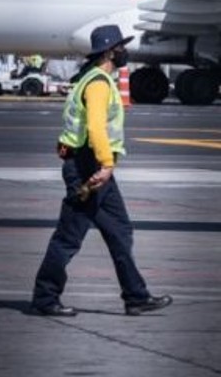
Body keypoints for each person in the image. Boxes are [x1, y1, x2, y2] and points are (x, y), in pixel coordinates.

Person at [28, 24, 172, 317]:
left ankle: (136, 296)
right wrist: (106, 165)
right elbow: (95, 127)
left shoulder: (92, 79)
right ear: (110, 51)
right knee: (69, 237)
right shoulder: (98, 84)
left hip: (92, 166)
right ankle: (45, 298)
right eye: (120, 47)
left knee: (120, 231)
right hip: (88, 168)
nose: (124, 52)